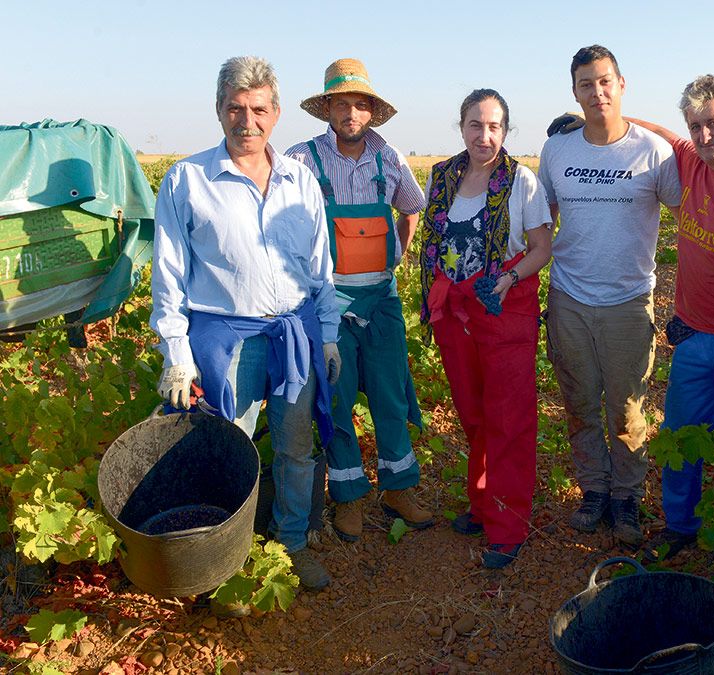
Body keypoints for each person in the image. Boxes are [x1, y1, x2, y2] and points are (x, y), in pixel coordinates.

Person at [151, 56, 340, 590]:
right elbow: (168, 278)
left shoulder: (300, 180)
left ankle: (292, 544)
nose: (247, 121)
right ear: (219, 111)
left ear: (275, 114)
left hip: (295, 335)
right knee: (226, 446)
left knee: (296, 446)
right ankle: (219, 557)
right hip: (224, 339)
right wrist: (178, 357)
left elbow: (320, 267)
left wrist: (326, 335)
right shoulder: (188, 181)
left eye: (258, 109)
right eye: (235, 108)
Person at [621, 75, 714, 561]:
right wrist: (597, 119)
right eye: (697, 125)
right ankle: (680, 525)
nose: (705, 135)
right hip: (693, 336)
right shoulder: (690, 160)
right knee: (681, 440)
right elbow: (660, 132)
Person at [539, 45, 683, 547]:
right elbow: (542, 221)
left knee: (627, 409)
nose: (596, 92)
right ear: (574, 92)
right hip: (569, 298)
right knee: (578, 404)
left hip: (627, 301)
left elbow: (691, 217)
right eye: (585, 85)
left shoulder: (653, 150)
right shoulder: (558, 150)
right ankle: (594, 490)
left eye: (604, 82)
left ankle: (627, 497)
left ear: (622, 84)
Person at [285, 58, 432, 543]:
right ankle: (347, 495)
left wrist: (399, 255)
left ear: (371, 111)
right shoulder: (301, 160)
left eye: (360, 103)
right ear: (327, 108)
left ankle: (398, 488)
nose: (351, 111)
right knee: (339, 397)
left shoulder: (388, 158)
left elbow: (411, 208)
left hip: (382, 297)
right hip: (328, 302)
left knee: (392, 392)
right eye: (342, 102)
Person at [418, 89, 552, 568]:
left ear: (505, 130)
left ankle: (508, 524)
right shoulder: (443, 177)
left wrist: (509, 277)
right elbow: (432, 243)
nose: (485, 135)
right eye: (476, 124)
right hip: (456, 313)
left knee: (508, 419)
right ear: (462, 127)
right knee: (473, 415)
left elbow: (541, 247)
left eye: (495, 126)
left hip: (503, 311)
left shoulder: (521, 182)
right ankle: (481, 503)